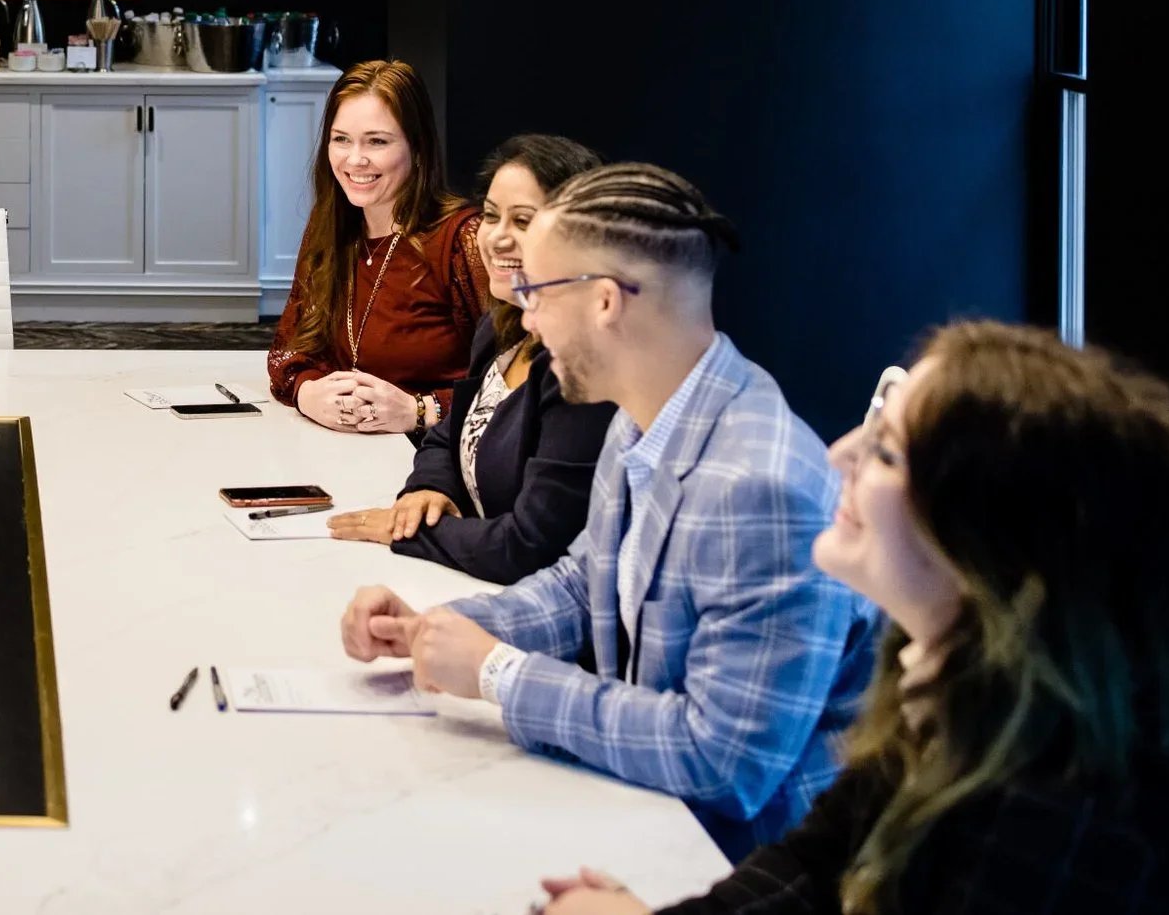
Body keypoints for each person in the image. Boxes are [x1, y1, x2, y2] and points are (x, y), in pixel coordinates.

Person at [533, 321, 1169, 914]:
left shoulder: (1062, 809)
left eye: (890, 453)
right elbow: (818, 861)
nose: (838, 457)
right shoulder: (960, 687)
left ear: (991, 545)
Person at [340, 163, 873, 857]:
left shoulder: (759, 486)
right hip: (651, 815)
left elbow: (725, 764)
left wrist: (500, 671)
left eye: (535, 291)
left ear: (605, 301)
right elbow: (584, 576)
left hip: (749, 864)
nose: (524, 317)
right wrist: (440, 628)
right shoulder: (642, 414)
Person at [328, 133, 619, 584]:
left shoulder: (583, 371)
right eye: (490, 216)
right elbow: (448, 435)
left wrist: (408, 533)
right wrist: (427, 491)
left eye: (523, 221)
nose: (497, 238)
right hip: (466, 582)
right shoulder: (501, 326)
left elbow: (530, 548)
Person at [266, 59, 488, 434]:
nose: (355, 160)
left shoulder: (464, 239)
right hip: (343, 447)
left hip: (436, 457)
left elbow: (518, 380)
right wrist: (307, 393)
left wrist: (423, 410)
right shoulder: (331, 225)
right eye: (341, 140)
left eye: (377, 141)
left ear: (417, 149)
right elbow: (292, 350)